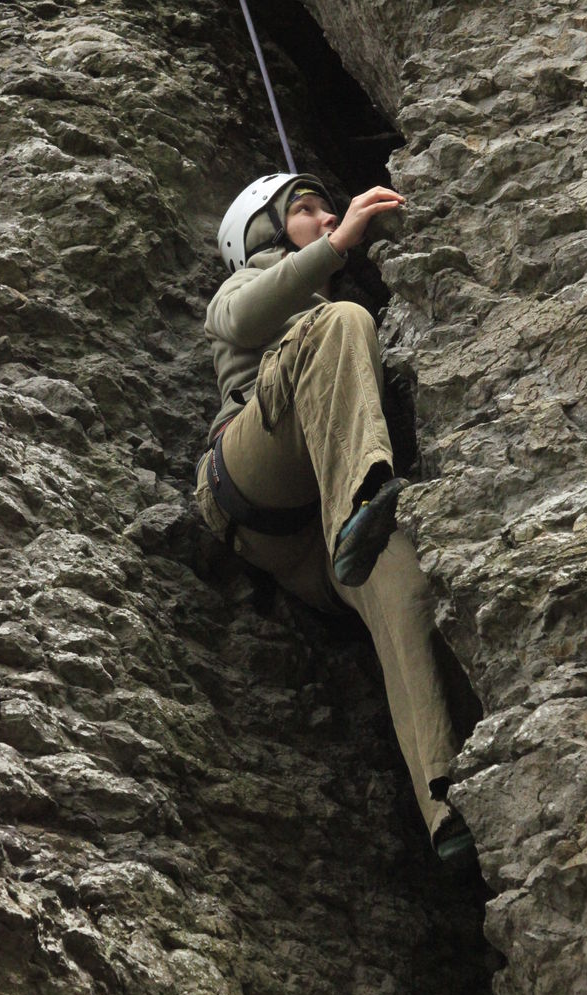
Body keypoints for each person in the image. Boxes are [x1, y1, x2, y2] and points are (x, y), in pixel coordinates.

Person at [195, 172, 474, 863]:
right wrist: (335, 244)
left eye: (327, 208)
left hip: (315, 542)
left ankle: (451, 805)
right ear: (261, 233)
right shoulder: (255, 281)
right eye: (305, 210)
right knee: (342, 322)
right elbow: (236, 322)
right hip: (253, 471)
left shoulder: (337, 306)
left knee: (404, 592)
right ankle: (359, 504)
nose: (323, 218)